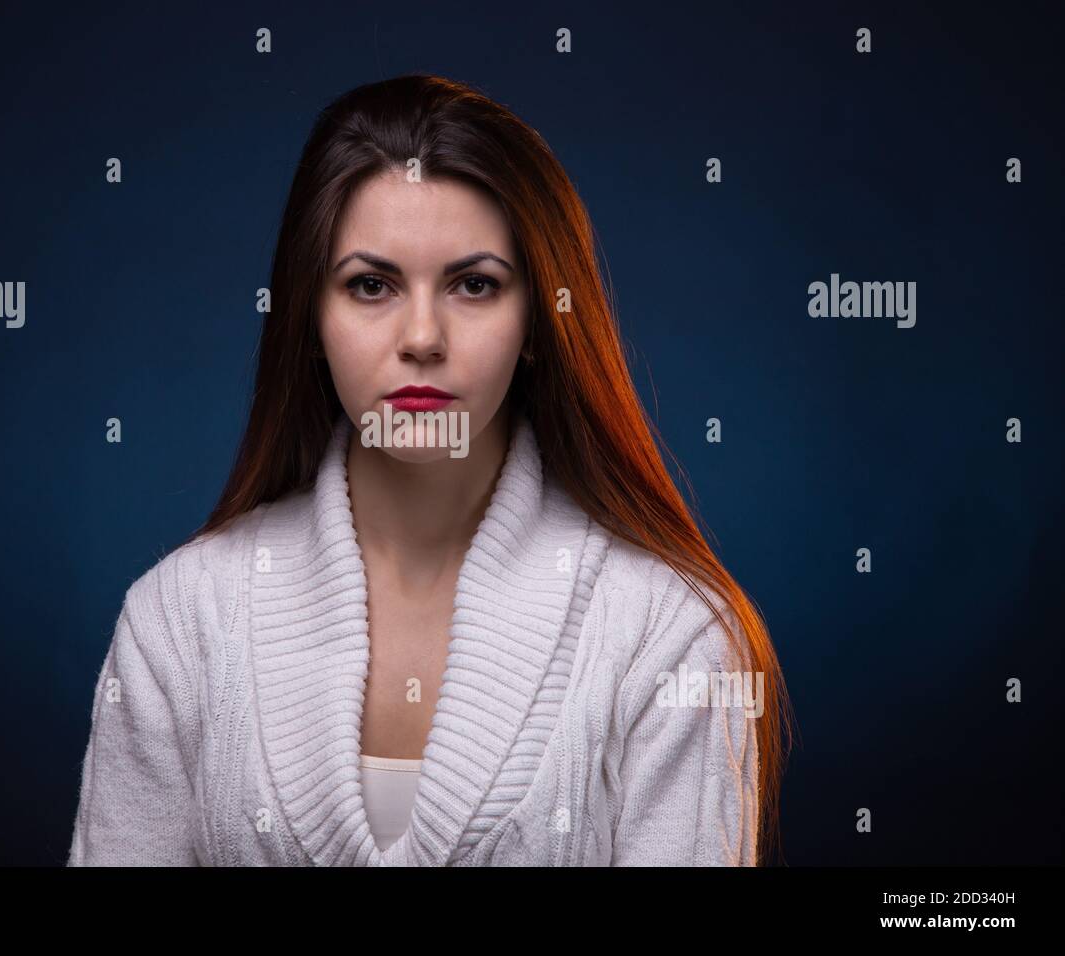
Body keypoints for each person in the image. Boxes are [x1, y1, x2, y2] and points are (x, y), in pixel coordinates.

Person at [68, 73, 789, 866]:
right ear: (308, 318)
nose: (421, 336)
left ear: (539, 324)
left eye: (474, 285)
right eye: (370, 286)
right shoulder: (177, 621)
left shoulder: (670, 636)